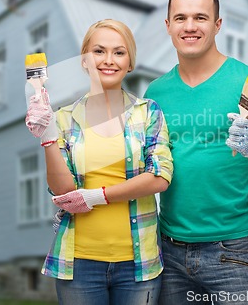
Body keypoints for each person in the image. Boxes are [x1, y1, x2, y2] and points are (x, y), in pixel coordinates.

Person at [144, 0, 248, 305]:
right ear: (168, 26)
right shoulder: (155, 94)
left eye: (200, 17)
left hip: (233, 252)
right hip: (169, 252)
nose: (190, 26)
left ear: (217, 24)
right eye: (181, 18)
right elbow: (143, 165)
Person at [25, 19, 173, 305]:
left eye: (119, 52)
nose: (108, 60)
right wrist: (47, 137)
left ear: (130, 62)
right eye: (99, 51)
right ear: (84, 59)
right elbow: (62, 191)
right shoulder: (64, 119)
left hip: (138, 263)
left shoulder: (148, 113)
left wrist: (97, 196)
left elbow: (160, 176)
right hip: (79, 263)